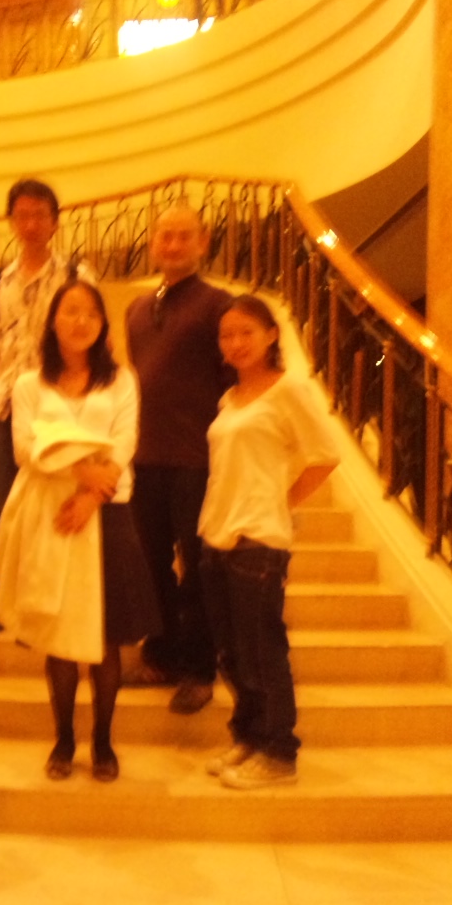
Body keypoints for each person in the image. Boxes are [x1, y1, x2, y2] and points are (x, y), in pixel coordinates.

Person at [0, 281, 157, 783]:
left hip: (109, 511)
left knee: (105, 640)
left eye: (91, 313)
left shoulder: (121, 379)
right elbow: (24, 448)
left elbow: (124, 440)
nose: (81, 321)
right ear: (53, 320)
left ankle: (103, 742)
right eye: (70, 311)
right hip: (53, 513)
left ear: (103, 324)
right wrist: (81, 474)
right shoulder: (29, 383)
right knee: (59, 638)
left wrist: (92, 494)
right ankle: (63, 738)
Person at [200, 295, 339, 788]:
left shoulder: (289, 389)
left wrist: (281, 502)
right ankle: (250, 736)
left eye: (246, 332)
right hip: (216, 531)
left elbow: (325, 455)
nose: (236, 343)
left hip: (258, 536)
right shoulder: (229, 399)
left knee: (262, 648)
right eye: (227, 335)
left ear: (271, 335)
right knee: (232, 651)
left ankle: (279, 753)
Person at [123, 204, 235, 714]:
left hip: (197, 458)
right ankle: (162, 653)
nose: (172, 245)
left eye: (183, 236)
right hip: (145, 457)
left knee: (199, 566)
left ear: (202, 242)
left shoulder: (219, 305)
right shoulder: (137, 309)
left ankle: (199, 668)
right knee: (149, 564)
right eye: (164, 236)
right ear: (153, 243)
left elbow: (234, 380)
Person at [0, 178, 93, 635]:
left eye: (40, 215)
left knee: (53, 502)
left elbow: (93, 335)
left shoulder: (77, 276)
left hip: (59, 408)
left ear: (55, 222)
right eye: (22, 215)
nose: (31, 223)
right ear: (11, 221)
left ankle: (51, 596)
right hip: (4, 408)